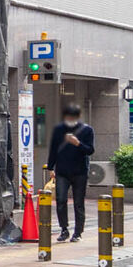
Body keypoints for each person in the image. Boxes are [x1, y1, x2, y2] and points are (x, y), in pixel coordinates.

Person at [46, 102, 95, 242]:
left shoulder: (87, 130)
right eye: (68, 116)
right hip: (62, 171)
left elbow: (90, 150)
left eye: (73, 116)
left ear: (78, 116)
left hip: (80, 172)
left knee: (78, 203)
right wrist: (50, 167)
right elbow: (53, 149)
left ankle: (78, 232)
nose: (70, 119)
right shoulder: (59, 130)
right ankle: (64, 229)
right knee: (61, 200)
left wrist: (77, 143)